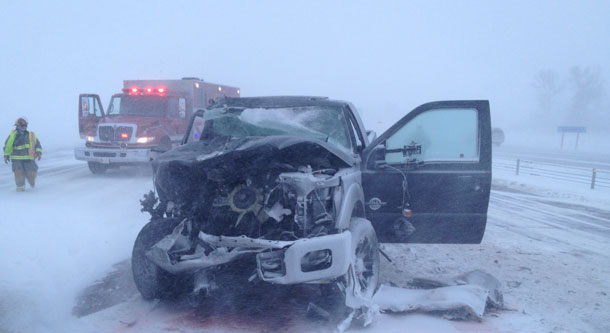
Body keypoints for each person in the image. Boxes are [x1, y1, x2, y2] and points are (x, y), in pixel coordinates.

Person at [3, 117, 42, 191]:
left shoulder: (31, 135)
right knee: (18, 174)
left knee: (31, 175)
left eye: (25, 125)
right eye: (22, 125)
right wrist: (6, 155)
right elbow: (7, 146)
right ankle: (20, 191)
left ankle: (31, 182)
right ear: (17, 126)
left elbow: (37, 144)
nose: (24, 127)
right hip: (16, 159)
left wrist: (38, 152)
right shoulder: (12, 135)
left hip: (29, 159)